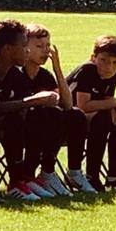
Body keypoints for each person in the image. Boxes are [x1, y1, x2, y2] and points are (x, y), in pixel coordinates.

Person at [0, 19, 47, 201]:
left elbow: (19, 108)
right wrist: (33, 100)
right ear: (7, 50)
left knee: (40, 117)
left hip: (4, 126)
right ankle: (10, 182)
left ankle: (28, 177)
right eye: (24, 46)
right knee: (13, 121)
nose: (27, 50)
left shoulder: (16, 74)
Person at [21, 22, 85, 196]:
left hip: (48, 128)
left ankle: (68, 172)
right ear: (25, 47)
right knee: (51, 114)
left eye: (47, 45)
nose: (45, 51)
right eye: (39, 46)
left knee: (76, 115)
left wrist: (57, 68)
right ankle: (30, 173)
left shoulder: (45, 75)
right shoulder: (18, 73)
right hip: (24, 128)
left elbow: (68, 104)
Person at [67, 35, 116, 191]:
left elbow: (106, 99)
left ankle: (114, 176)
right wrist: (115, 103)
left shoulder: (114, 74)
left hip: (89, 116)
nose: (109, 67)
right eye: (103, 60)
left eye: (115, 63)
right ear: (93, 57)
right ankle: (92, 175)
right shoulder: (87, 70)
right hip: (69, 118)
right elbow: (82, 105)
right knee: (102, 119)